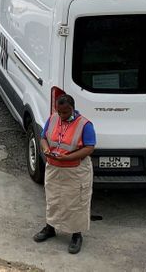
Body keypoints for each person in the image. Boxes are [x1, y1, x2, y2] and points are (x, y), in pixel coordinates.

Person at [33, 94, 96, 254]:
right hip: (54, 168)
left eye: (65, 112)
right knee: (53, 199)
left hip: (75, 170)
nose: (61, 115)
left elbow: (89, 148)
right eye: (59, 112)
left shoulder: (85, 124)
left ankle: (76, 234)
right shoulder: (53, 119)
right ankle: (50, 228)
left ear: (72, 109)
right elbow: (43, 138)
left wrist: (68, 157)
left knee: (76, 203)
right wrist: (46, 148)